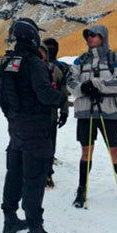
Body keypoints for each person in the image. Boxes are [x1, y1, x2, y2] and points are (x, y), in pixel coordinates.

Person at [0, 18, 67, 233]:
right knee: (34, 178)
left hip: (16, 128)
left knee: (14, 173)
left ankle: (10, 219)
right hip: (36, 129)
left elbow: (3, 100)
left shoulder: (8, 61)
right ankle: (36, 232)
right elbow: (45, 94)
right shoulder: (34, 63)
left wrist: (14, 117)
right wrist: (62, 99)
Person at [67, 24, 117, 206]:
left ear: (103, 37)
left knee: (115, 149)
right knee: (86, 151)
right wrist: (83, 88)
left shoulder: (115, 59)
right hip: (85, 113)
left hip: (108, 112)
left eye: (93, 35)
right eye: (87, 35)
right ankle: (81, 189)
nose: (89, 38)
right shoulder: (79, 61)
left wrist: (97, 85)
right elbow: (69, 82)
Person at [40, 39, 69, 189]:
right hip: (37, 114)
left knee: (49, 143)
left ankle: (47, 173)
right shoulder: (34, 66)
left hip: (50, 113)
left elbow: (63, 90)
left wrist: (64, 111)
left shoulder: (59, 68)